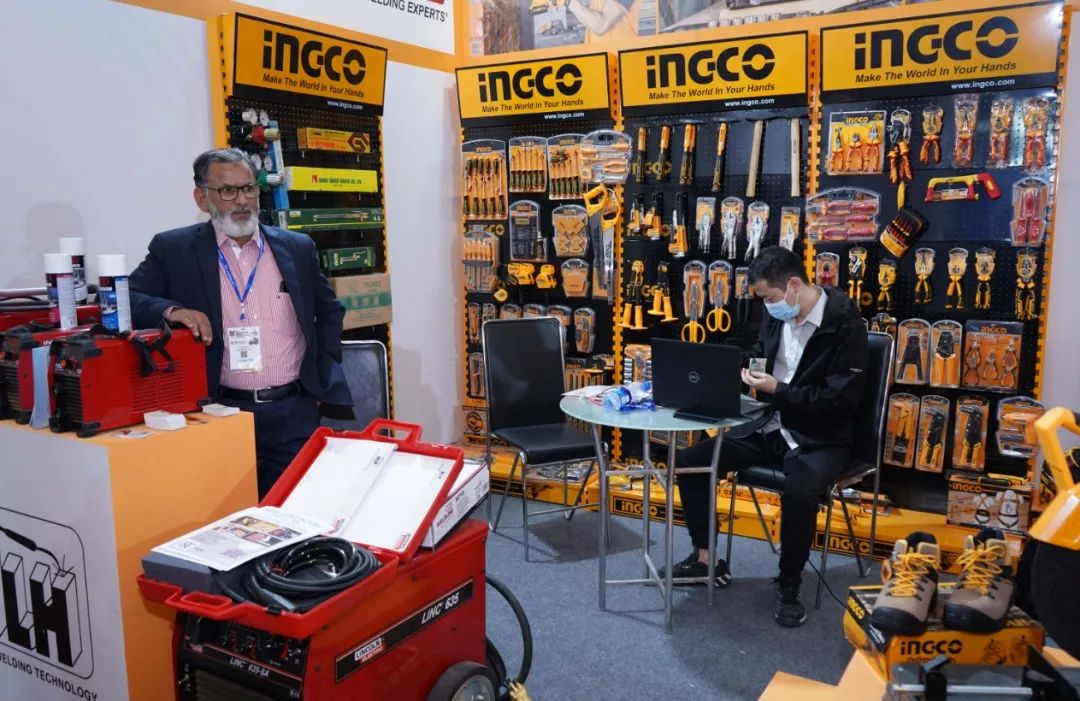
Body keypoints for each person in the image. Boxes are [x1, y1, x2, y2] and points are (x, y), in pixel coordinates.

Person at [129, 148, 353, 498]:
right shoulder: (174, 250)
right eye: (227, 190)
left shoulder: (297, 248)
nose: (242, 200)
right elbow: (125, 297)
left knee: (297, 508)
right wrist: (171, 311)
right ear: (202, 198)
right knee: (231, 513)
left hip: (293, 412)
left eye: (248, 188)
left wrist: (321, 377)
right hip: (220, 412)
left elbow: (329, 312)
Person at [670, 246, 868, 627]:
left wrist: (779, 389)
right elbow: (762, 353)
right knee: (692, 461)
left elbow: (840, 401)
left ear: (793, 285)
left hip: (821, 436)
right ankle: (705, 560)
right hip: (769, 426)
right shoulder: (779, 316)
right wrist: (748, 373)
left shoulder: (846, 327)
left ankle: (789, 584)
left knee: (800, 494)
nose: (766, 306)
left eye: (768, 297)